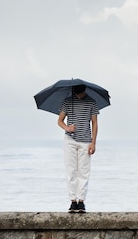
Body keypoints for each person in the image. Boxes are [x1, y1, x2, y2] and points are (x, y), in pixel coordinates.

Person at [57, 84, 99, 213]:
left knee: (84, 171)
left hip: (85, 141)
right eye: (76, 92)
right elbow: (60, 121)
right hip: (70, 140)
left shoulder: (91, 102)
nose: (78, 95)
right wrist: (67, 128)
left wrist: (93, 143)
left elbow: (94, 123)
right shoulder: (68, 102)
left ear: (84, 90)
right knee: (71, 170)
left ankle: (81, 201)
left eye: (80, 92)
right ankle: (72, 201)